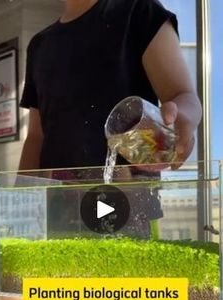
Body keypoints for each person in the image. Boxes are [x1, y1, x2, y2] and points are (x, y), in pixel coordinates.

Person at [19, 0, 202, 238]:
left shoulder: (139, 11)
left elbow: (183, 96)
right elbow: (36, 137)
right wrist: (20, 206)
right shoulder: (39, 45)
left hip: (129, 202)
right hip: (59, 208)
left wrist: (183, 117)